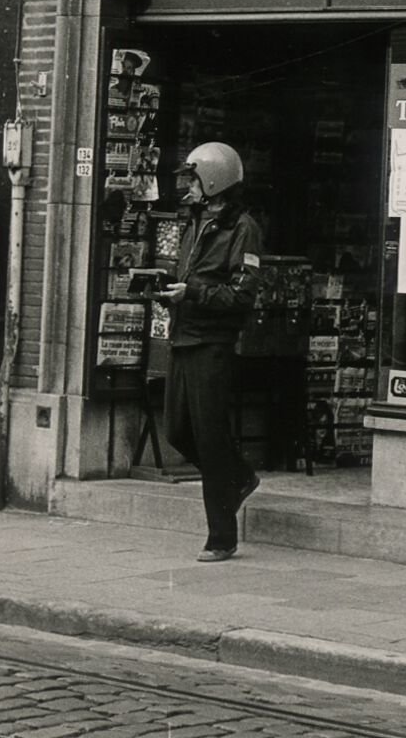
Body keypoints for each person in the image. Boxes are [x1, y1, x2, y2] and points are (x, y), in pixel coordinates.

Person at [161, 141, 262, 562]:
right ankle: (237, 477)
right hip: (184, 338)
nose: (188, 186)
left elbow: (242, 295)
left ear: (215, 179)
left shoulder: (243, 229)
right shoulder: (196, 222)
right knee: (177, 432)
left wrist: (194, 293)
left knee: (210, 437)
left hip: (212, 344)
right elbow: (189, 277)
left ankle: (222, 536)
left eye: (193, 178)